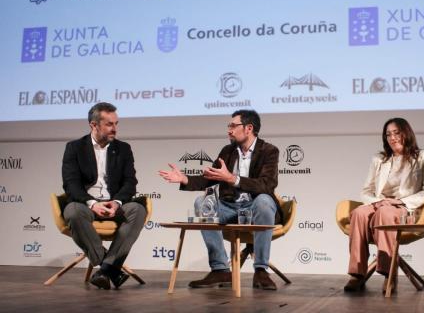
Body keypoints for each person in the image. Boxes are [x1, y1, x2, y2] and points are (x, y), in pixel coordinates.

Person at [159, 109, 281, 290]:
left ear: (248, 128)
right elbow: (210, 178)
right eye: (228, 126)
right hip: (230, 207)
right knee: (201, 203)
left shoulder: (269, 151)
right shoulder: (228, 151)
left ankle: (261, 270)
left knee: (264, 201)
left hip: (254, 206)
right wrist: (185, 179)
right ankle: (220, 269)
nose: (229, 130)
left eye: (233, 126)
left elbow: (267, 184)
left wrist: (233, 179)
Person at [344, 118, 424, 293]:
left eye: (396, 133)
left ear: (406, 133)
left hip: (405, 208)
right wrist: (379, 202)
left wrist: (399, 201)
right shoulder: (380, 159)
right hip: (380, 203)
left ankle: (389, 272)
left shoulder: (422, 157)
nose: (392, 137)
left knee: (385, 213)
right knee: (358, 213)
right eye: (388, 134)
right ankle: (357, 273)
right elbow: (366, 190)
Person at [62, 102, 146, 290]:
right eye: (109, 124)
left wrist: (116, 203)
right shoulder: (74, 148)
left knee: (138, 210)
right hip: (85, 203)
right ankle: (110, 268)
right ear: (93, 125)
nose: (114, 129)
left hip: (114, 203)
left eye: (116, 124)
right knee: (73, 211)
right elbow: (71, 184)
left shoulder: (123, 148)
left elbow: (130, 182)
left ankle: (104, 270)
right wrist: (92, 204)